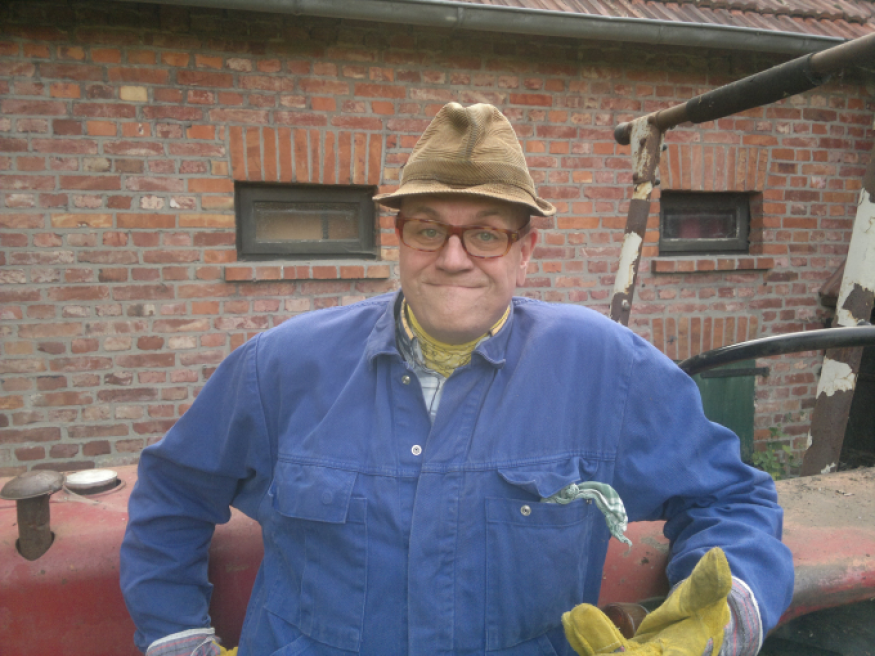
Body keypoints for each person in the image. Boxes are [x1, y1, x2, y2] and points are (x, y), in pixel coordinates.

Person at [120, 103, 794, 656]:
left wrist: (722, 617)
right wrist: (178, 639)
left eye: (486, 235)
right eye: (427, 230)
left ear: (524, 252)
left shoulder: (605, 369)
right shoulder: (282, 367)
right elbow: (174, 492)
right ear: (398, 239)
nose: (451, 258)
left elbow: (730, 498)